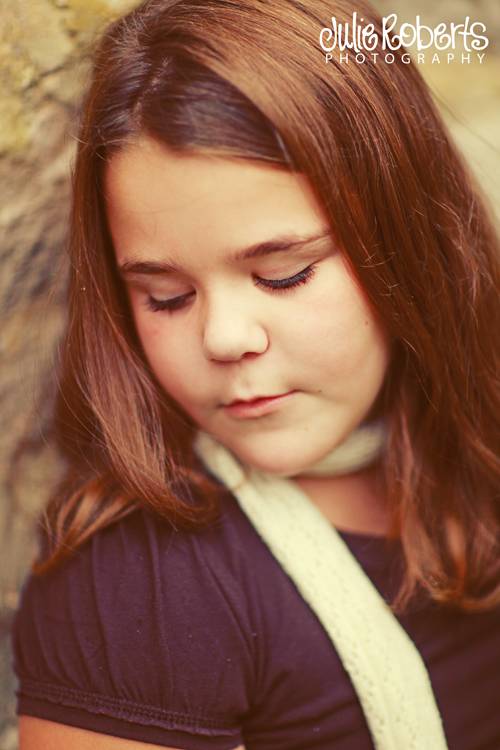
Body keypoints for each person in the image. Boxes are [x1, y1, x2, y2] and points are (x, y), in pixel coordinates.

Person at [11, 0, 500, 748]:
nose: (224, 337)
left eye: (283, 274)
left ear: (408, 236)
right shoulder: (141, 592)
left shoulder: (481, 454)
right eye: (164, 296)